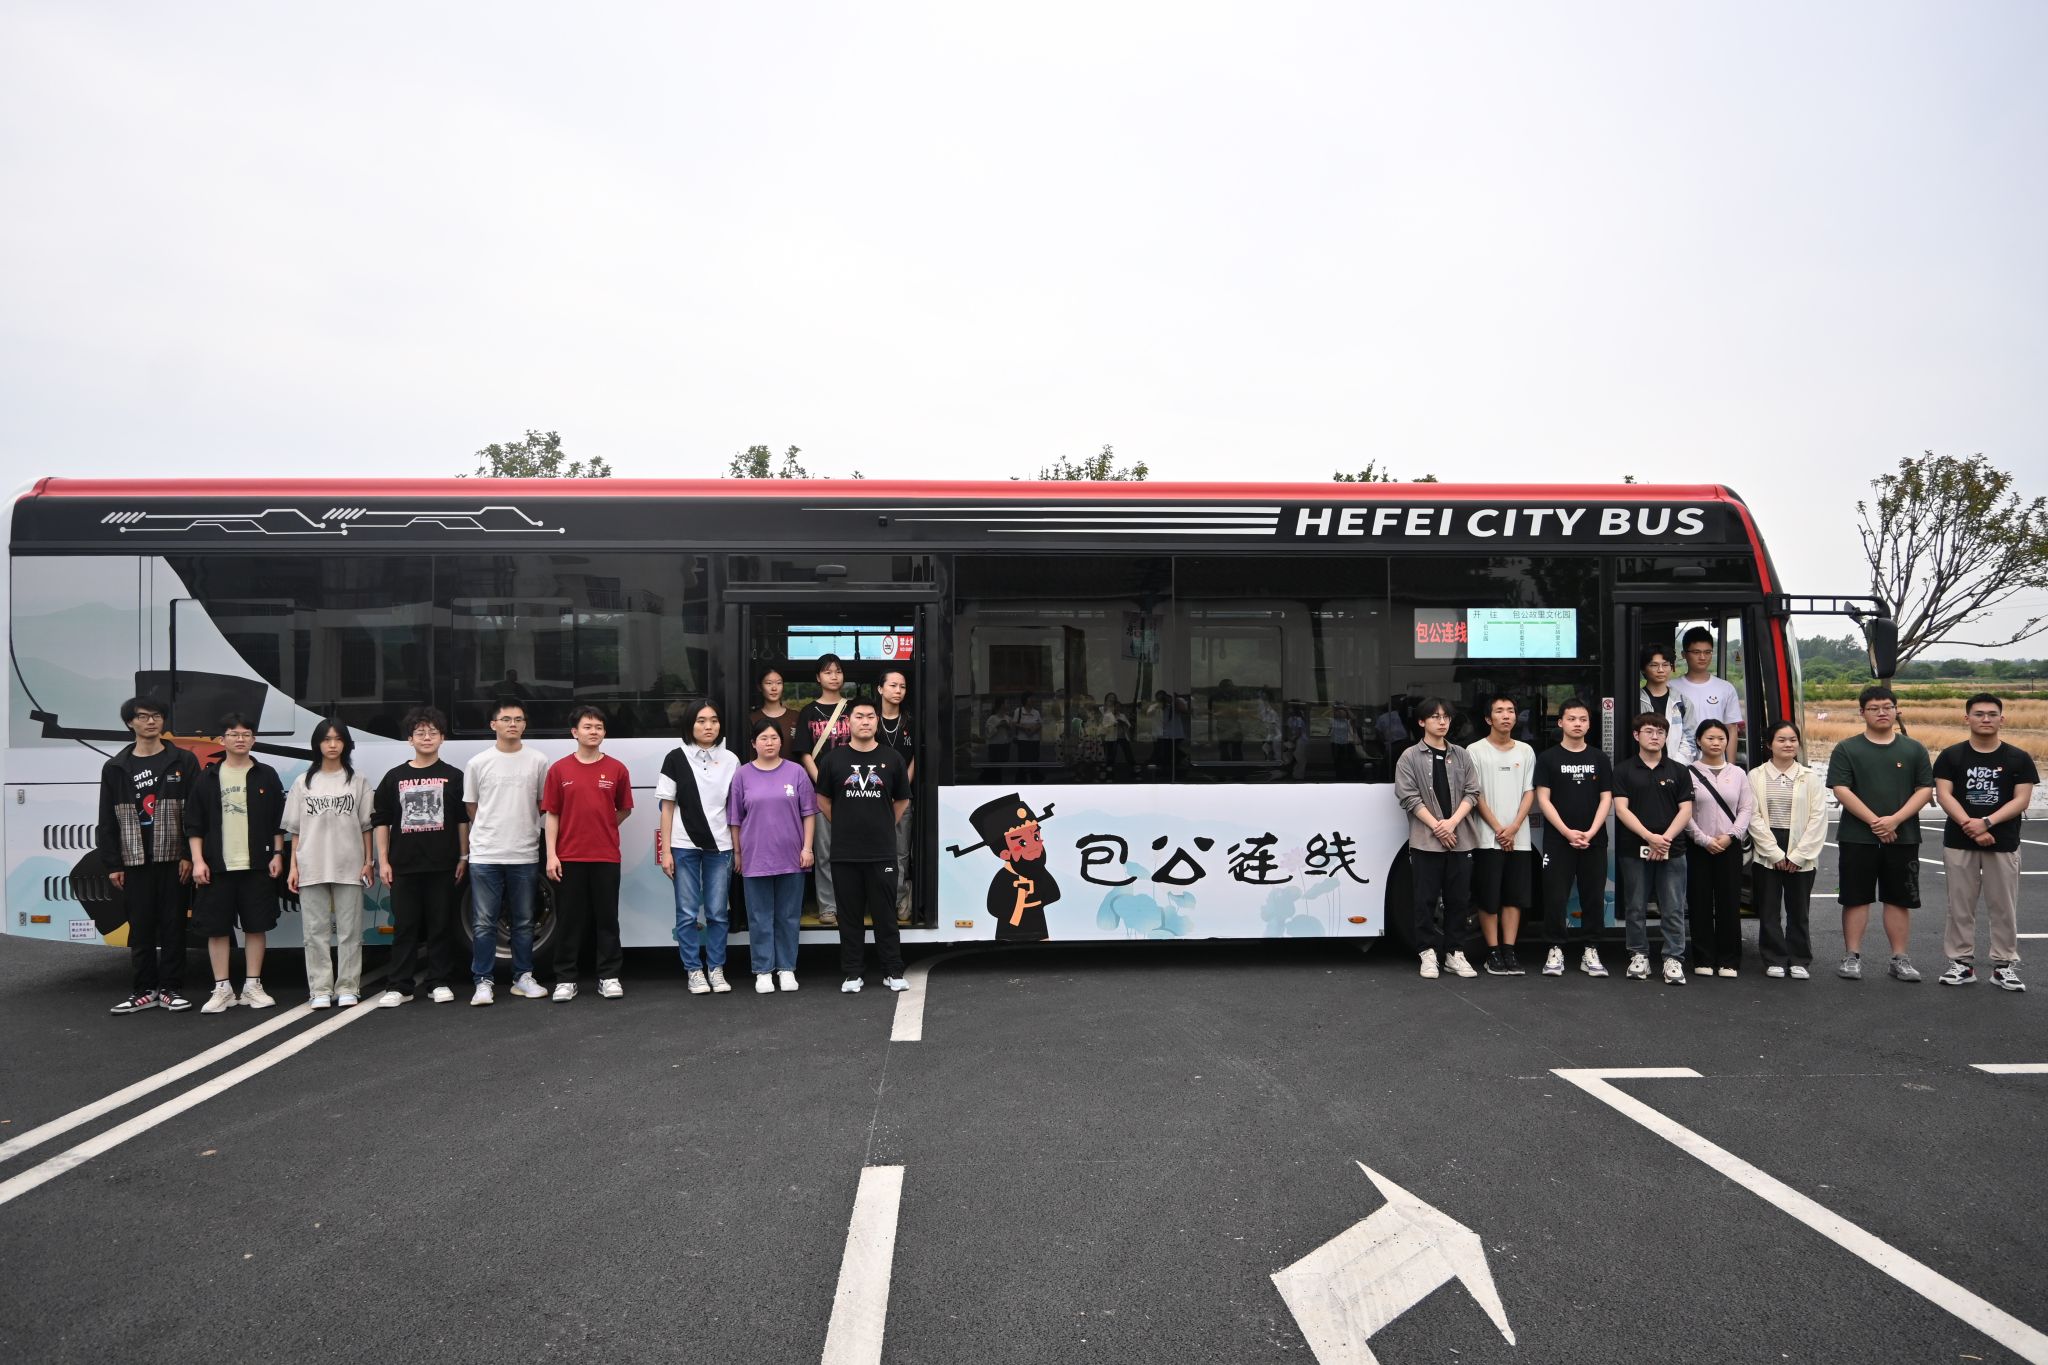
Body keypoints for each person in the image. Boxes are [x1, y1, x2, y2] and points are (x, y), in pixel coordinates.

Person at [96, 695, 201, 1014]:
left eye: (156, 715)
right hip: (134, 859)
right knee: (140, 927)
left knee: (173, 925)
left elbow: (196, 811)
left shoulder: (183, 760)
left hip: (174, 859)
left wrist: (189, 854)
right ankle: (143, 991)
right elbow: (106, 819)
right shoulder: (116, 767)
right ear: (130, 722)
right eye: (143, 716)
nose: (151, 721)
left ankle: (170, 989)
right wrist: (113, 863)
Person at [1826, 684, 1934, 982]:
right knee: (1855, 897)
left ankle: (1900, 958)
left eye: (1887, 707)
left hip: (1903, 836)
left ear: (1897, 710)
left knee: (1898, 898)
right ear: (1862, 712)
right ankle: (1852, 956)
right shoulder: (1847, 748)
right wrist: (1877, 822)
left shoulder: (1913, 749)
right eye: (1874, 708)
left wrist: (1895, 821)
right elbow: (1841, 789)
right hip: (1857, 836)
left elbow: (1925, 790)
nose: (1881, 713)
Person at [1932, 693, 2037, 991]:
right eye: (1979, 714)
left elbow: (2021, 800)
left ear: (2002, 719)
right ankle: (1961, 964)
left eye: (1992, 714)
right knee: (1959, 905)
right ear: (1967, 718)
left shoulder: (2018, 758)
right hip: (1959, 842)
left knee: (2004, 906)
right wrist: (1973, 827)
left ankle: (2003, 966)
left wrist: (1987, 822)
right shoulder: (1951, 756)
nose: (1986, 719)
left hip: (2003, 842)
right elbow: (1944, 795)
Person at [185, 713, 285, 1014]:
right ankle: (222, 989)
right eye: (233, 734)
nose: (240, 739)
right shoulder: (208, 777)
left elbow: (277, 821)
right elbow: (194, 824)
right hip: (217, 866)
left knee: (257, 926)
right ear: (222, 740)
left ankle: (253, 986)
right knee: (217, 929)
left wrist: (277, 854)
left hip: (257, 864)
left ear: (254, 740)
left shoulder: (266, 775)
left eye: (246, 734)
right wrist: (198, 861)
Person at [372, 706, 469, 1008]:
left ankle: (439, 982)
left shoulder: (454, 777)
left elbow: (462, 820)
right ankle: (399, 986)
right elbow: (381, 821)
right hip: (403, 865)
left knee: (441, 925)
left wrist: (463, 856)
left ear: (442, 738)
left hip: (443, 864)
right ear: (409, 739)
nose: (427, 737)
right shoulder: (394, 777)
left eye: (433, 732)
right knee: (405, 927)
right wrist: (384, 860)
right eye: (420, 733)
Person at [817, 701, 913, 993]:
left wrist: (883, 824)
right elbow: (823, 800)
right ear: (849, 722)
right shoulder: (833, 759)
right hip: (845, 852)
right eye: (859, 716)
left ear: (876, 721)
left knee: (885, 915)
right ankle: (852, 973)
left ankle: (892, 970)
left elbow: (902, 799)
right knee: (849, 917)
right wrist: (844, 823)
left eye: (871, 716)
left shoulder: (892, 758)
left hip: (882, 851)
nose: (865, 721)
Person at [543, 706, 634, 1002]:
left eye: (599, 727)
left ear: (604, 732)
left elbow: (624, 809)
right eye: (587, 726)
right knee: (569, 920)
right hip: (569, 857)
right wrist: (551, 855)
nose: (593, 731)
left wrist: (603, 825)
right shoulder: (559, 769)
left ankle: (609, 976)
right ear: (575, 732)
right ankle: (566, 979)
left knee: (607, 919)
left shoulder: (617, 769)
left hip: (606, 856)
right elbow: (552, 814)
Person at [464, 699, 551, 1005]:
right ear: (493, 725)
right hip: (485, 853)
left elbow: (542, 804)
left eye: (518, 719)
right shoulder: (478, 763)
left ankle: (523, 977)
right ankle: (483, 981)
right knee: (483, 922)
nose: (512, 724)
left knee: (524, 920)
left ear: (524, 725)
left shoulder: (538, 761)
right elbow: (472, 806)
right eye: (506, 719)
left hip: (524, 852)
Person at [285, 718, 374, 1009]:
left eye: (338, 739)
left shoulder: (357, 780)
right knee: (315, 932)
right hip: (311, 864)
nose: (332, 745)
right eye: (326, 739)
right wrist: (293, 866)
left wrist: (368, 861)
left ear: (346, 743)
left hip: (350, 864)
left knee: (350, 932)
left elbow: (366, 826)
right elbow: (295, 830)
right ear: (318, 744)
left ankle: (348, 986)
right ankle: (320, 988)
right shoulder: (303, 782)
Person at [1394, 697, 1481, 979]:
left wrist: (1452, 823)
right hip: (1425, 840)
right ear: (1421, 722)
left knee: (1459, 900)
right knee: (1425, 899)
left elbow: (1473, 792)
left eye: (1446, 717)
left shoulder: (1462, 755)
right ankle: (1427, 952)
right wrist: (1438, 827)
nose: (1442, 722)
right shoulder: (1409, 757)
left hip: (1460, 838)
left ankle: (1455, 953)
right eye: (1435, 717)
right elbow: (1408, 797)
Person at [657, 700, 740, 996]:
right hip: (683, 845)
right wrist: (666, 851)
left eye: (714, 720)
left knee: (718, 912)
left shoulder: (731, 760)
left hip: (721, 846)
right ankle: (693, 970)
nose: (709, 726)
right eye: (701, 721)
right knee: (687, 913)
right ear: (690, 725)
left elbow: (735, 809)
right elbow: (667, 808)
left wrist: (738, 849)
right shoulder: (675, 758)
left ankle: (716, 968)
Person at [728, 718, 817, 994]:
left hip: (792, 857)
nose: (769, 743)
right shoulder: (742, 775)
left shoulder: (796, 772)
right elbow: (735, 819)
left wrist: (807, 848)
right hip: (755, 857)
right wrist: (738, 853)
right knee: (759, 917)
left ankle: (787, 968)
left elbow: (809, 814)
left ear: (781, 742)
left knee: (788, 916)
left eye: (774, 738)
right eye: (763, 738)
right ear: (753, 744)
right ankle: (763, 970)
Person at [1534, 698, 1613, 977]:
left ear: (1589, 724)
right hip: (1558, 840)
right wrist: (1567, 832)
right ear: (1560, 722)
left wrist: (1591, 831)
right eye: (1571, 719)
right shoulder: (1548, 758)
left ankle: (1591, 950)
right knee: (1556, 896)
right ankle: (1555, 948)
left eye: (1582, 719)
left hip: (1594, 839)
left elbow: (1606, 798)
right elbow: (1543, 799)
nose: (1577, 724)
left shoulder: (1599, 758)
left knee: (1593, 896)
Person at [1613, 713, 1693, 986]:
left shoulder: (1679, 771)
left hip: (1673, 849)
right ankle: (1638, 955)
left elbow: (1686, 810)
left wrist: (1664, 839)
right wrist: (1649, 837)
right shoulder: (1623, 770)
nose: (1655, 736)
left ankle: (1673, 958)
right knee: (1635, 906)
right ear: (1637, 735)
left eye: (1660, 732)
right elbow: (1621, 809)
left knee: (1673, 908)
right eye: (1649, 731)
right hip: (1634, 848)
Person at [1747, 720, 1827, 980]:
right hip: (1767, 847)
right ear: (1769, 744)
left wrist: (1799, 855)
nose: (1788, 744)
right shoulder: (1756, 776)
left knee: (1799, 910)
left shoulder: (1810, 777)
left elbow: (1818, 818)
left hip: (1802, 847)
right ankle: (1774, 958)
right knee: (1769, 909)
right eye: (1781, 740)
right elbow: (1753, 817)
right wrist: (1774, 853)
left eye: (1793, 740)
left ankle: (1799, 959)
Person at [1467, 695, 1536, 976]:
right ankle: (1493, 952)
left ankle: (1509, 950)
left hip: (1519, 838)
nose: (1506, 716)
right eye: (1499, 711)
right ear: (1488, 718)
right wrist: (1499, 829)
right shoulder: (1474, 751)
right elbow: (1475, 794)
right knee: (1489, 897)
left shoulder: (1526, 751)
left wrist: (1514, 827)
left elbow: (1529, 792)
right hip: (1487, 837)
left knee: (1513, 897)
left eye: (1510, 711)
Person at [1685, 718, 1753, 977]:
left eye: (1721, 738)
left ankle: (1729, 960)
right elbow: (1684, 811)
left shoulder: (1738, 774)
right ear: (1699, 741)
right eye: (1710, 738)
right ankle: (1702, 958)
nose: (1716, 743)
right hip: (1697, 846)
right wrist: (1702, 838)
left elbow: (1746, 809)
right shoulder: (1688, 772)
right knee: (1699, 901)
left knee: (1729, 902)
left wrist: (1732, 836)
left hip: (1729, 846)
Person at [799, 654, 853, 927]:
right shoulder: (808, 712)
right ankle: (828, 907)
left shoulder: (853, 709)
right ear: (818, 678)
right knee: (824, 852)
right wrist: (824, 783)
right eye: (828, 672)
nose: (834, 676)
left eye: (838, 671)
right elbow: (805, 753)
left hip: (855, 789)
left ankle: (850, 905)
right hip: (821, 793)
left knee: (853, 852)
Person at [877, 669, 919, 918]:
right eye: (893, 685)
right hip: (873, 796)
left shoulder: (911, 721)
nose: (898, 691)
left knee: (901, 851)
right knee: (875, 850)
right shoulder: (870, 720)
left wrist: (902, 788)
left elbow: (915, 758)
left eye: (902, 686)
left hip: (902, 796)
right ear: (880, 689)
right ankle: (879, 899)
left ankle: (900, 897)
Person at [1672, 626, 1745, 736]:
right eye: (1696, 652)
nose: (1702, 657)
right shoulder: (1671, 687)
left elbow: (1731, 729)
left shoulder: (1726, 688)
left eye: (1707, 652)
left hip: (1717, 748)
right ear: (1684, 654)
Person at [1637, 645, 1700, 764]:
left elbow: (1690, 738)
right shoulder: (1636, 700)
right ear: (1643, 669)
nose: (1661, 670)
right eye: (1654, 665)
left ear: (1671, 667)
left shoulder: (1682, 702)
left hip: (1676, 767)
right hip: (1642, 766)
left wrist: (1675, 766)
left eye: (1665, 665)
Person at [747, 667, 804, 763]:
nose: (774, 688)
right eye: (769, 683)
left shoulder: (796, 716)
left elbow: (803, 752)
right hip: (762, 771)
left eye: (779, 683)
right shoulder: (752, 718)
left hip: (793, 771)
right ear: (760, 687)